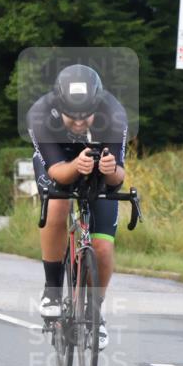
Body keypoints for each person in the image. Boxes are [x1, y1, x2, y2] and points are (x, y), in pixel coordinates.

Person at [27, 64, 128, 350]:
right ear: (59, 108)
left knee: (103, 247)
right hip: (58, 160)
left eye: (87, 115)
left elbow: (118, 177)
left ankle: (95, 314)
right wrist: (75, 166)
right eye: (73, 116)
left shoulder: (114, 113)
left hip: (97, 163)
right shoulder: (40, 113)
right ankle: (52, 290)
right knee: (57, 205)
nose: (81, 122)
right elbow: (57, 171)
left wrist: (109, 169)